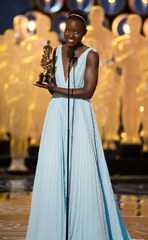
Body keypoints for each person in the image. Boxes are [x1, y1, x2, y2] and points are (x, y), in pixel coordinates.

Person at [26, 9, 133, 240]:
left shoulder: (91, 55)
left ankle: (85, 229)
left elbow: (87, 91)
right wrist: (49, 76)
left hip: (81, 114)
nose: (71, 35)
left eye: (76, 31)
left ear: (84, 32)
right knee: (56, 167)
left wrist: (57, 89)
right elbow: (53, 88)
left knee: (82, 169)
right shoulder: (55, 51)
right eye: (67, 30)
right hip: (56, 115)